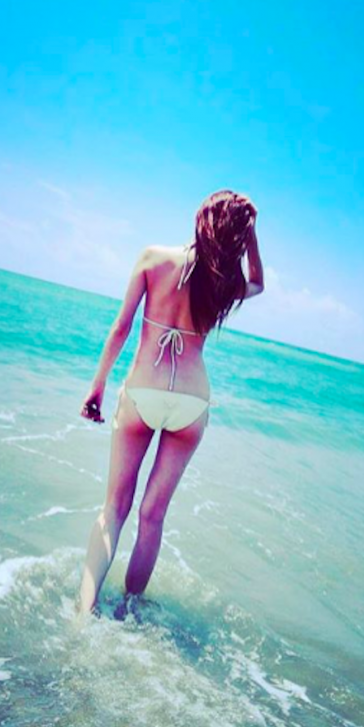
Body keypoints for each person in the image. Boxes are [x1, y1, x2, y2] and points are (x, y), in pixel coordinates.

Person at [77, 189, 264, 616]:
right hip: (192, 403)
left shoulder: (153, 258)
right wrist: (251, 231)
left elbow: (121, 328)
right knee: (153, 515)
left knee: (115, 507)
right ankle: (129, 611)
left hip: (144, 390)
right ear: (237, 235)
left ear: (201, 217)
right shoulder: (223, 282)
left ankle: (85, 612)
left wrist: (97, 386)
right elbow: (258, 282)